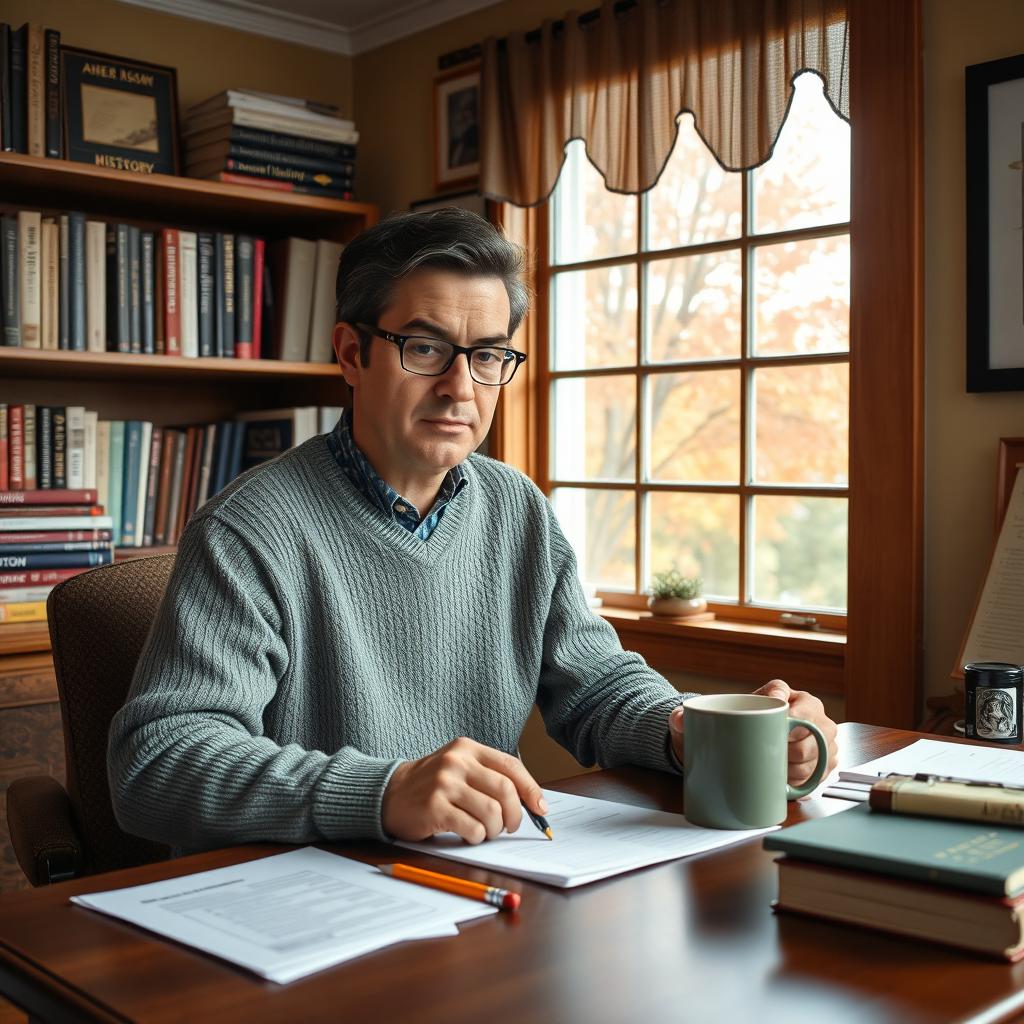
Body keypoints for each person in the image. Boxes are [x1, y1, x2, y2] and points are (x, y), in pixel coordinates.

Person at [108, 208, 838, 853]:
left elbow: (596, 688)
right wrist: (383, 792)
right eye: (425, 349)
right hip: (296, 912)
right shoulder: (250, 530)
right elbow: (156, 762)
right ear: (353, 354)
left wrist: (687, 727)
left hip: (472, 890)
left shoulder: (517, 509)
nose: (460, 387)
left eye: (487, 355)